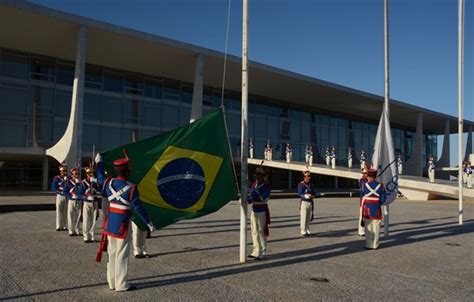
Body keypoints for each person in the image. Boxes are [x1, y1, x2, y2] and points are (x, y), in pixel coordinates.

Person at [95, 153, 156, 292]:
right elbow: (138, 208)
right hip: (123, 223)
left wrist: (99, 163)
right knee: (122, 254)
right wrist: (149, 223)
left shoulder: (108, 183)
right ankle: (121, 284)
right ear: (127, 171)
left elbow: (99, 177)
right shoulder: (131, 188)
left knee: (112, 252)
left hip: (110, 223)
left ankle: (111, 282)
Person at [247, 166, 271, 260]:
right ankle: (256, 250)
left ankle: (262, 251)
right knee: (254, 231)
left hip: (262, 210)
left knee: (261, 231)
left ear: (264, 176)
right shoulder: (254, 184)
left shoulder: (266, 186)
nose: (258, 176)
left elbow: (263, 197)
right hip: (254, 209)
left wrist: (251, 197)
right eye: (257, 174)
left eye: (260, 175)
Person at [360, 168, 386, 249]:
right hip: (377, 208)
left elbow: (362, 194)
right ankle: (375, 245)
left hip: (368, 208)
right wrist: (378, 202)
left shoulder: (365, 185)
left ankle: (368, 244)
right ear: (375, 176)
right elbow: (383, 199)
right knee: (376, 227)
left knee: (368, 227)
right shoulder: (381, 185)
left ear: (368, 175)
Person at [78, 165, 100, 243]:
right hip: (87, 202)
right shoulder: (83, 183)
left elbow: (100, 190)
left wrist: (96, 183)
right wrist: (86, 197)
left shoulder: (95, 182)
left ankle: (92, 236)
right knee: (86, 220)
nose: (91, 174)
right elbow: (79, 194)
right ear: (86, 174)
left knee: (94, 220)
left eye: (92, 173)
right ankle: (86, 236)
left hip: (95, 202)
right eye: (89, 173)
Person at [297, 170, 318, 236]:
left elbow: (314, 192)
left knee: (309, 217)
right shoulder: (301, 184)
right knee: (304, 216)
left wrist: (315, 194)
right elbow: (300, 193)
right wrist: (305, 195)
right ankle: (303, 230)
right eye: (307, 176)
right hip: (304, 202)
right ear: (304, 177)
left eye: (309, 176)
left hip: (310, 202)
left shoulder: (311, 185)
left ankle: (307, 229)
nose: (309, 177)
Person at [64, 167, 82, 236]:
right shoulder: (68, 182)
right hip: (71, 200)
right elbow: (65, 191)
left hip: (79, 200)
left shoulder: (81, 182)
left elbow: (82, 191)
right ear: (72, 174)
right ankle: (71, 230)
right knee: (70, 215)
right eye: (74, 174)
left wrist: (78, 184)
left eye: (77, 174)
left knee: (78, 215)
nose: (76, 175)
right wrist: (70, 196)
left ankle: (77, 229)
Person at [51, 164, 69, 231]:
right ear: (60, 171)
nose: (64, 172)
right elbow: (53, 188)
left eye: (65, 171)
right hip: (60, 195)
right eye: (63, 171)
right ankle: (58, 225)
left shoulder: (68, 178)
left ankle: (64, 225)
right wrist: (59, 192)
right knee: (59, 210)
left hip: (66, 196)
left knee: (65, 211)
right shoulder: (57, 178)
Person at [357, 166, 368, 236]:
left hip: (365, 200)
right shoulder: (363, 180)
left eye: (366, 173)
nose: (366, 174)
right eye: (364, 173)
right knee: (362, 216)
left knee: (365, 216)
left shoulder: (365, 180)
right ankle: (361, 231)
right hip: (363, 200)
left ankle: (363, 230)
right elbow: (364, 191)